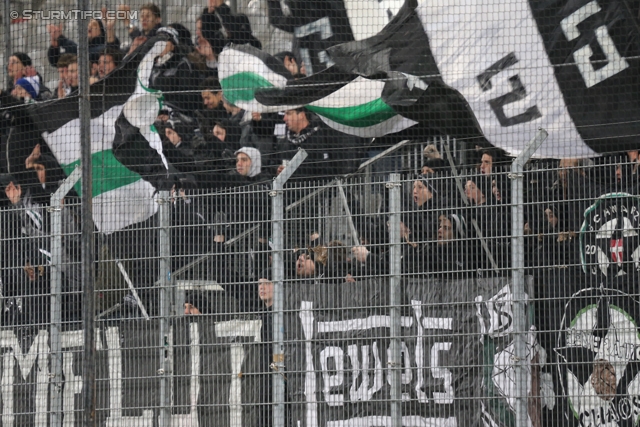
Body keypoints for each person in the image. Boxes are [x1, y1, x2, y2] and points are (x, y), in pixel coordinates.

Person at [275, 108, 360, 179]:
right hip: (291, 195)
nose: (284, 118)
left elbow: (325, 169)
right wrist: (277, 169)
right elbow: (273, 164)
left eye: (289, 114)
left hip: (317, 194)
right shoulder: (284, 143)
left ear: (301, 115)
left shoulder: (320, 137)